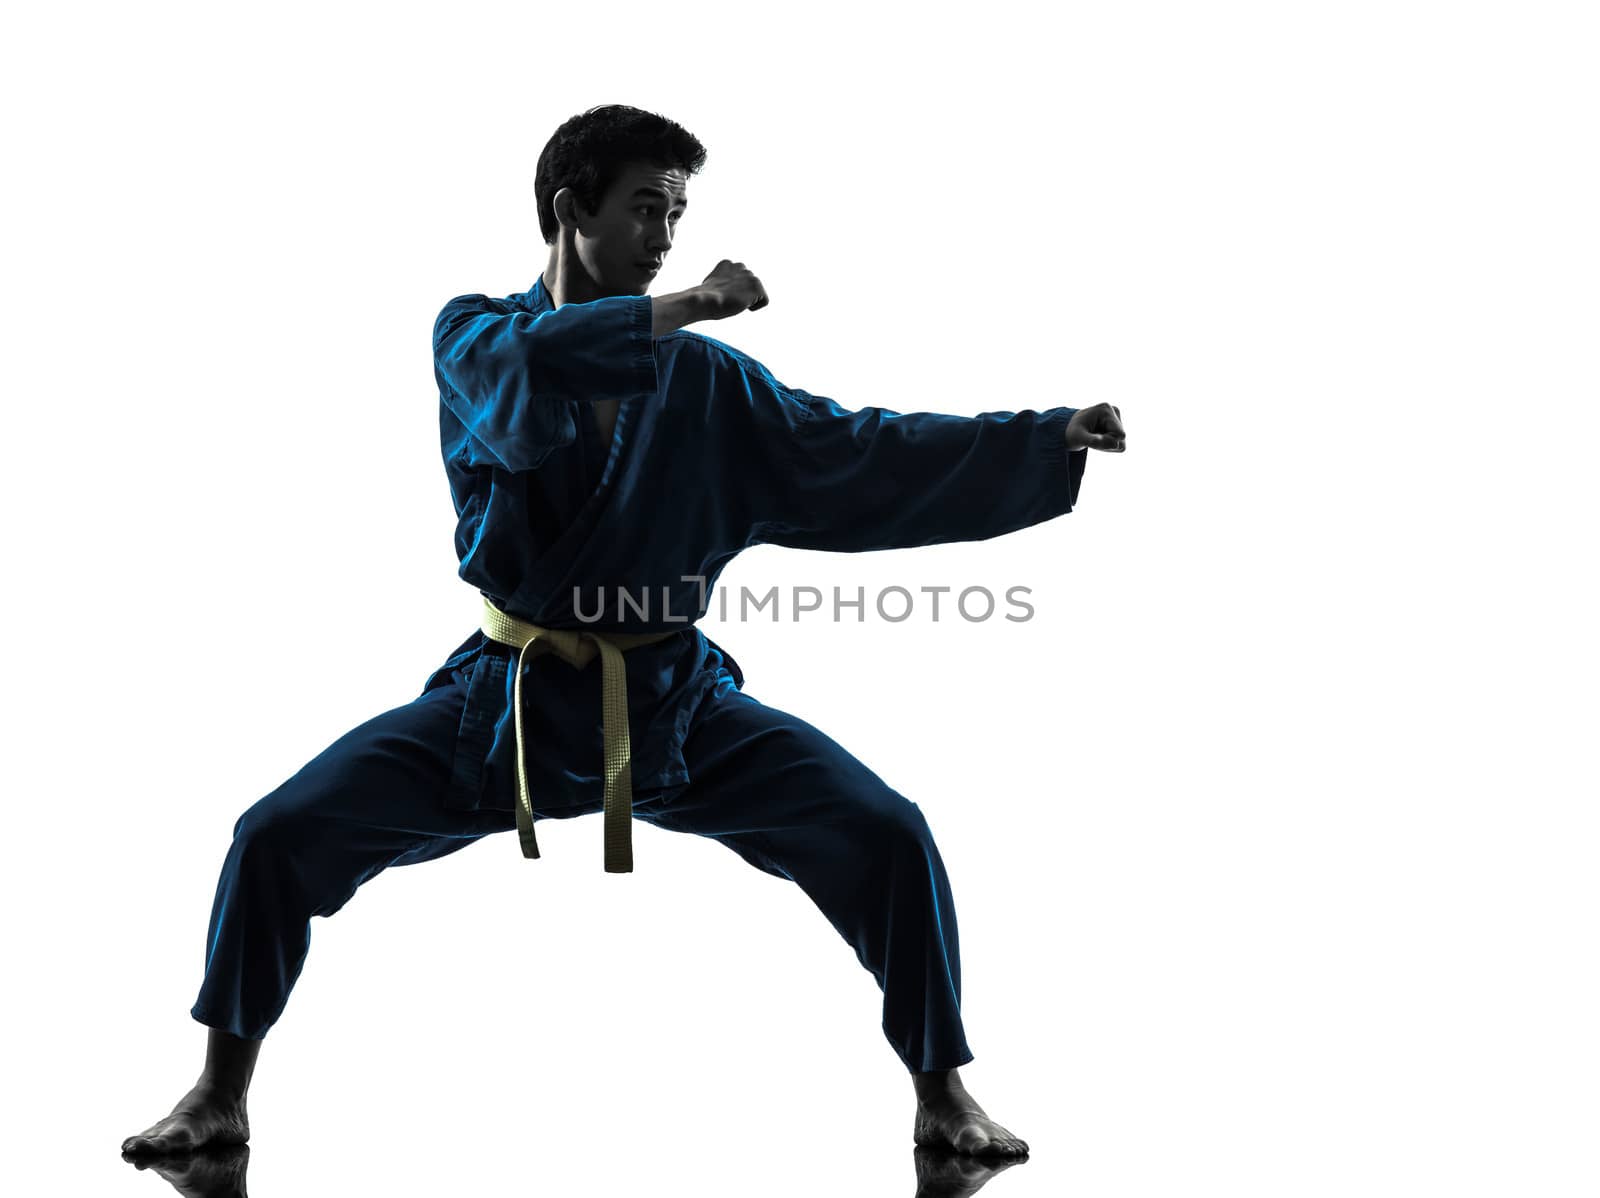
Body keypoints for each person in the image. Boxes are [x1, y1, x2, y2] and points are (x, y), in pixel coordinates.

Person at [122, 103, 1128, 1163]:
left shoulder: (704, 381)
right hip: (499, 705)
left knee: (886, 834)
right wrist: (694, 302)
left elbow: (857, 451)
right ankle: (218, 1091)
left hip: (672, 706)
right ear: (571, 209)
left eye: (678, 215)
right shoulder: (472, 334)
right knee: (277, 835)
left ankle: (942, 1092)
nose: (665, 236)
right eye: (646, 207)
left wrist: (1038, 439)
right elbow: (532, 368)